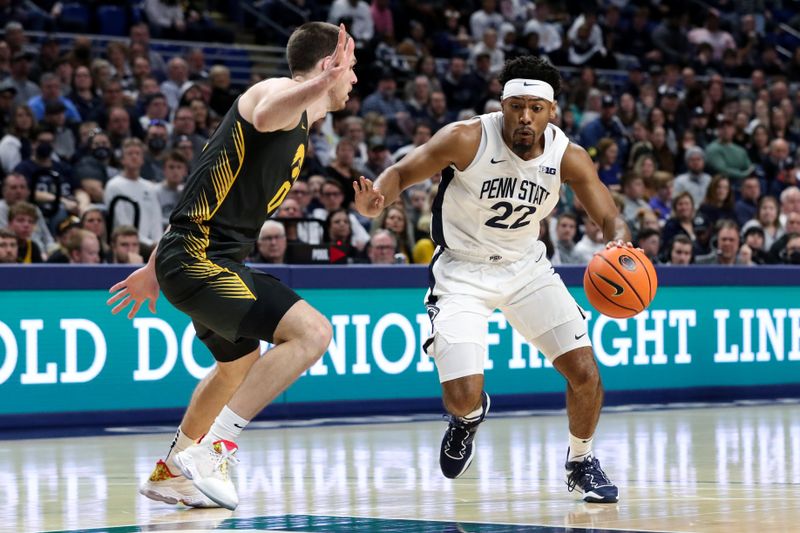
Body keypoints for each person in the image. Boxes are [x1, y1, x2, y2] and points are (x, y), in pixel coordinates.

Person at [354, 56, 629, 503]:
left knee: (584, 372)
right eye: (516, 105)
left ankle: (581, 462)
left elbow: (609, 215)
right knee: (461, 397)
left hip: (526, 269)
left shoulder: (567, 156)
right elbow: (404, 171)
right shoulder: (466, 138)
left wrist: (621, 245)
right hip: (462, 270)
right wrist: (378, 198)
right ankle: (468, 418)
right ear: (502, 104)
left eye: (535, 108)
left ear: (552, 111)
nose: (524, 116)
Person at [106, 22, 357, 511]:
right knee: (313, 334)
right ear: (329, 64)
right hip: (201, 260)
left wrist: (154, 266)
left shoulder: (299, 118)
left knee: (235, 369)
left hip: (189, 257)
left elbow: (202, 192)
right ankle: (215, 451)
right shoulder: (277, 93)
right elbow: (264, 115)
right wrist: (320, 83)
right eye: (350, 66)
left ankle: (173, 471)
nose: (354, 78)